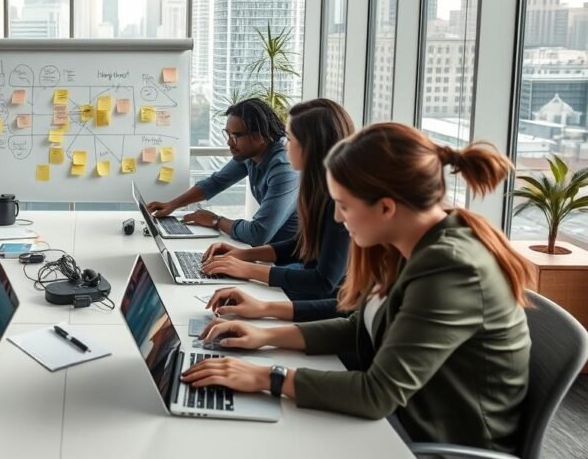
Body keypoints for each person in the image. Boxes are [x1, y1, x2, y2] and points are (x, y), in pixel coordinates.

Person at [182, 122, 534, 454]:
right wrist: (265, 335)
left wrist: (265, 376)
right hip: (400, 418)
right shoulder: (411, 245)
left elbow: (375, 395)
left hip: (429, 440)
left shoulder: (452, 270)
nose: (337, 218)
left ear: (386, 208)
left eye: (344, 205)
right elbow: (360, 327)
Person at [199, 99, 354, 322]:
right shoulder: (319, 187)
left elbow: (324, 282)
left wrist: (248, 270)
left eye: (290, 139)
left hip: (325, 311)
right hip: (312, 298)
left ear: (311, 146)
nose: (284, 145)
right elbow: (302, 244)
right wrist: (243, 255)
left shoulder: (340, 198)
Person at [146, 98, 299, 246]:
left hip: (293, 259)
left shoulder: (284, 168)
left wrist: (215, 221)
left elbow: (258, 234)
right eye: (228, 134)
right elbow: (216, 182)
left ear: (259, 136)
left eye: (235, 136)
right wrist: (172, 205)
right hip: (270, 249)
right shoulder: (252, 154)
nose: (229, 143)